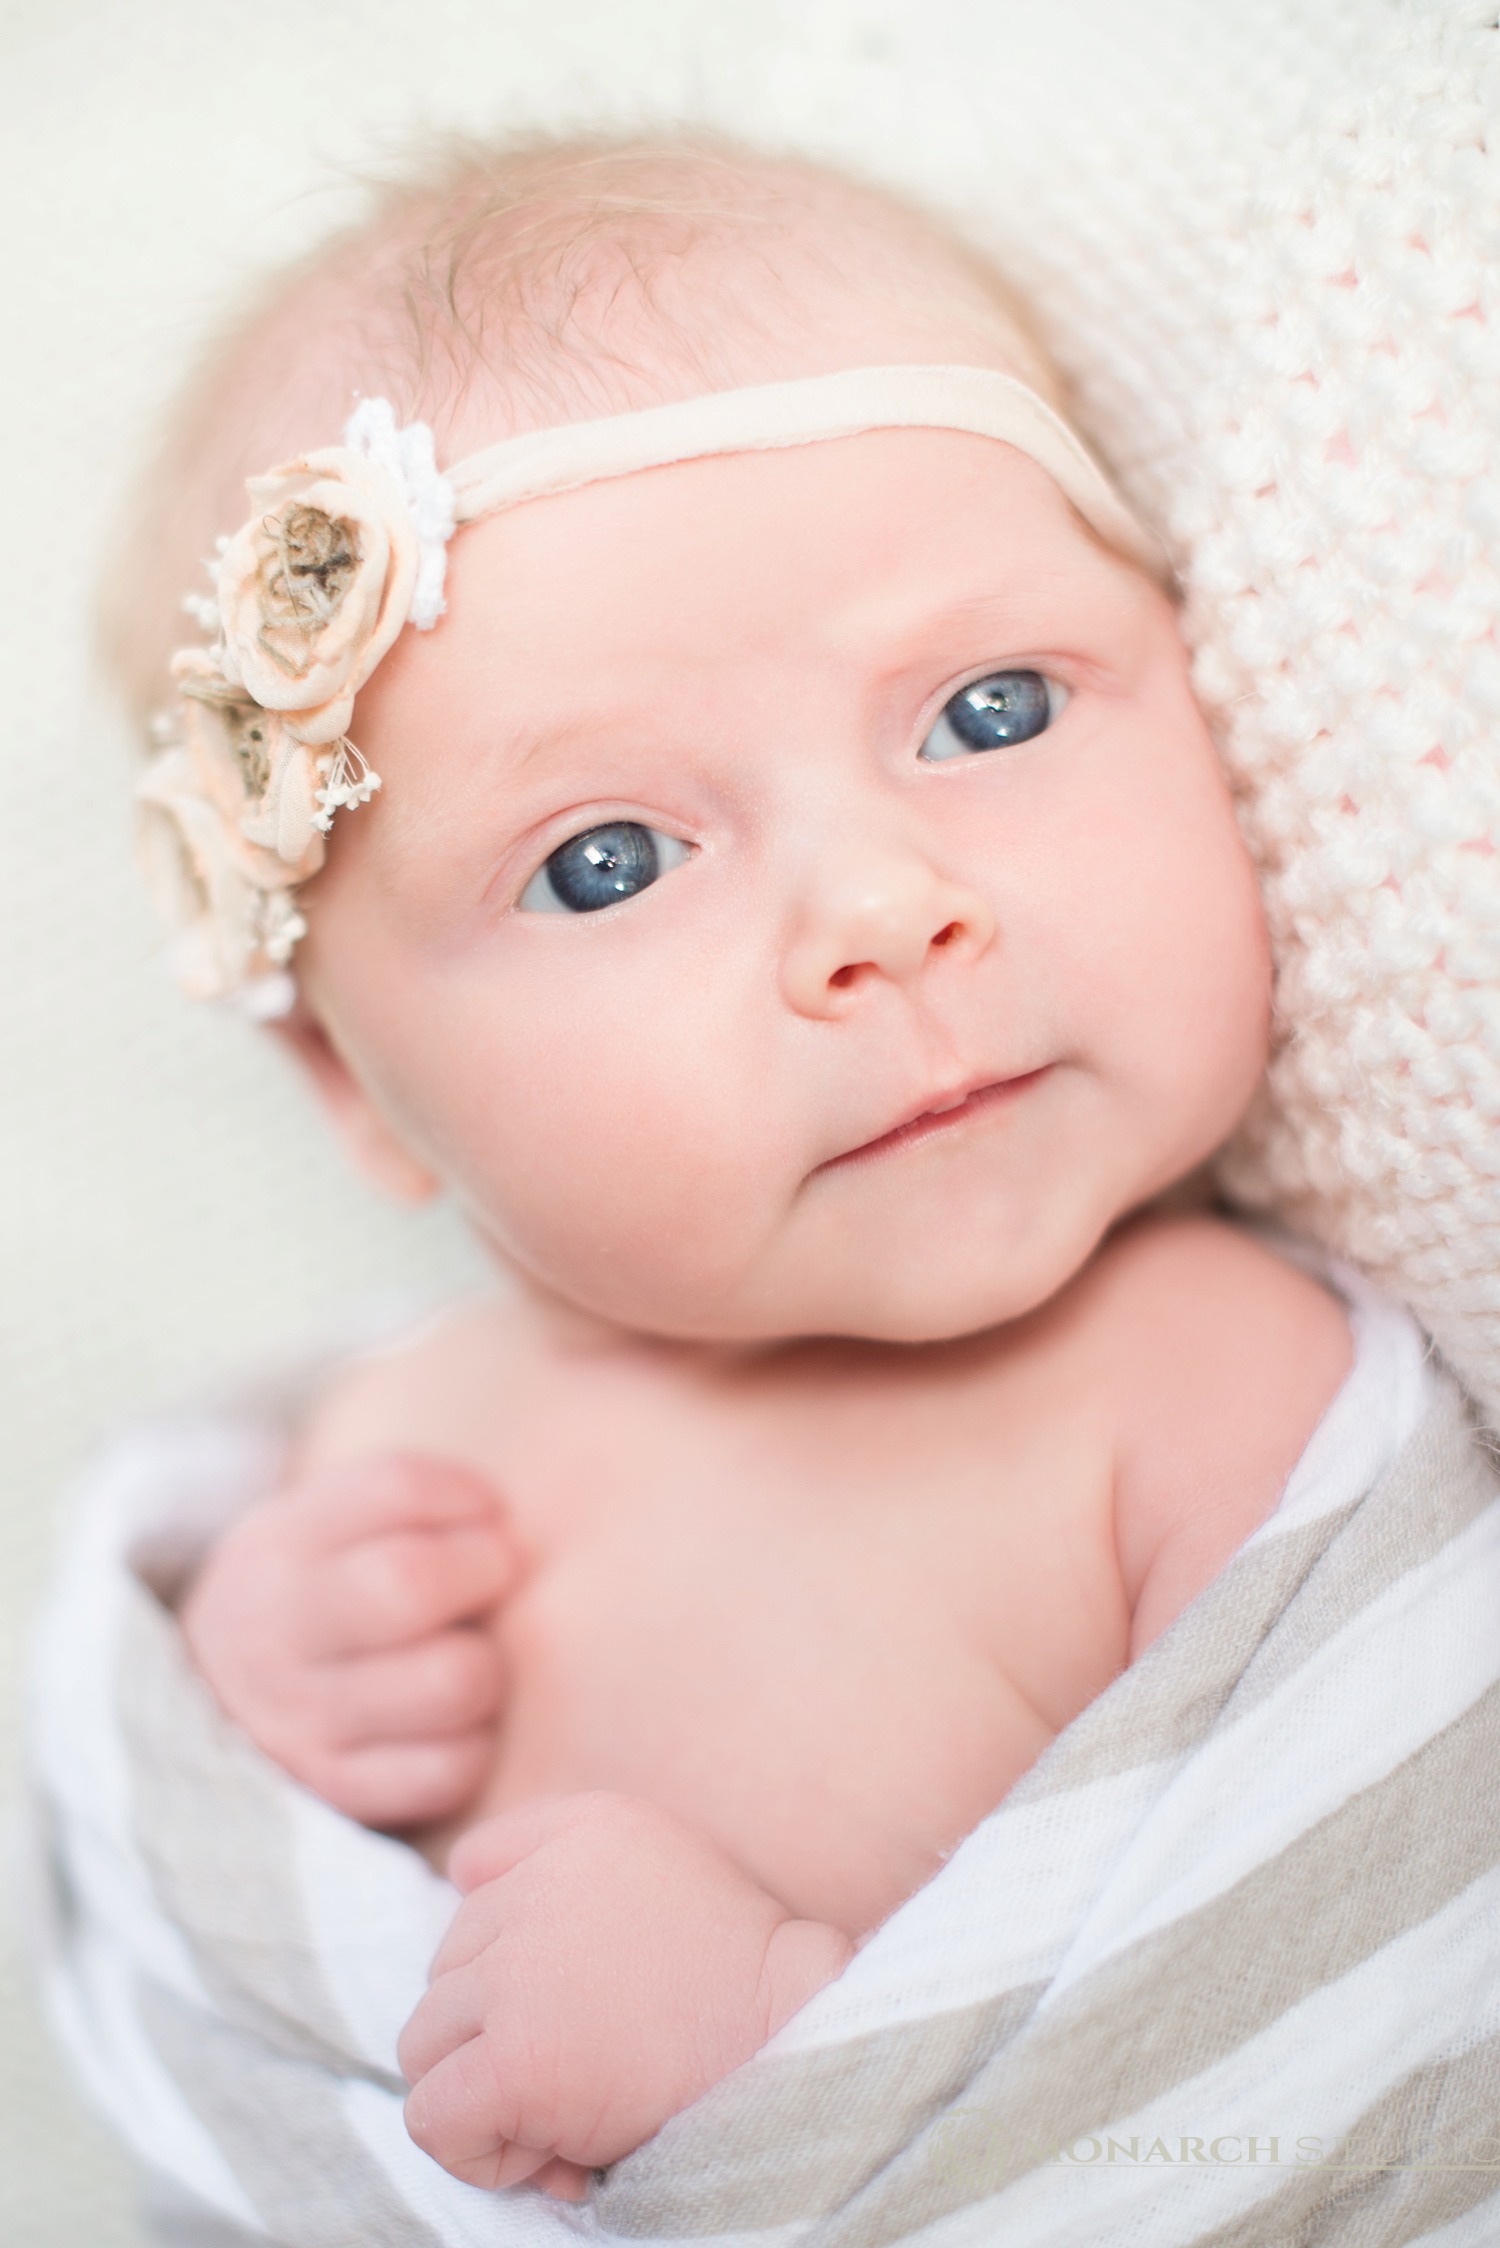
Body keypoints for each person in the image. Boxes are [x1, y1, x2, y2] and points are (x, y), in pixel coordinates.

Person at [114, 134, 1353, 2202]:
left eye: (989, 707)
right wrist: (256, 1692)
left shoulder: (1217, 1392)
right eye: (608, 859)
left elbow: (1323, 2036)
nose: (884, 907)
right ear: (348, 1083)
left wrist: (771, 2038)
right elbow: (220, 1926)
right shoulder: (399, 1451)